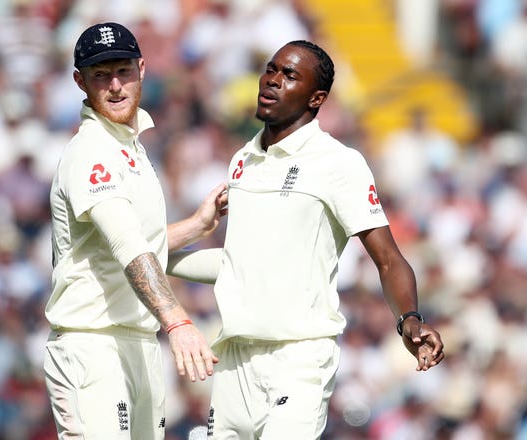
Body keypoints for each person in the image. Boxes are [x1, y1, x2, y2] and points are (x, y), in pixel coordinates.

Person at [167, 40, 445, 439]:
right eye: (271, 69)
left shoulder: (338, 162)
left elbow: (387, 258)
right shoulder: (243, 159)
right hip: (234, 358)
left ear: (317, 98)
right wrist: (151, 257)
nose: (272, 81)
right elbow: (236, 265)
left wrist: (410, 321)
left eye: (289, 75)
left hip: (298, 357)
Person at [43, 22, 228, 439]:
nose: (114, 86)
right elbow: (127, 245)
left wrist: (197, 226)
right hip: (92, 344)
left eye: (123, 71)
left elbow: (136, 241)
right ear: (79, 81)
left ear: (142, 69)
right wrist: (178, 321)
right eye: (100, 75)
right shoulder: (91, 150)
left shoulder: (133, 151)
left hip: (140, 343)